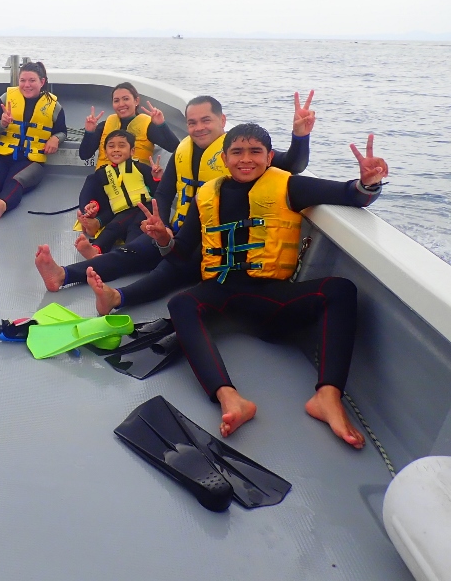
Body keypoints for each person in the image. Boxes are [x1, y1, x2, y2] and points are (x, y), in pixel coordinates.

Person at [128, 123, 387, 448]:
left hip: (272, 302)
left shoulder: (289, 186)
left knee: (341, 290)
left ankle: (327, 396)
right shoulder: (205, 196)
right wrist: (164, 238)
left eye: (255, 152)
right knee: (180, 303)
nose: (245, 159)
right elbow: (181, 255)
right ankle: (230, 398)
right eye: (237, 152)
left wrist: (368, 183)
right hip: (223, 298)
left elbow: (350, 194)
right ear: (224, 157)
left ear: (269, 157)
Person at [35, 91, 315, 293]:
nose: (198, 128)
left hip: (212, 243)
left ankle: (118, 299)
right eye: (192, 122)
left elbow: (293, 164)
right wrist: (162, 227)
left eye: (206, 120)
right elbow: (166, 192)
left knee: (166, 271)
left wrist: (300, 136)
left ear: (222, 120)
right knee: (133, 251)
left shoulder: (239, 153)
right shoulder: (184, 149)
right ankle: (63, 275)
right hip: (180, 231)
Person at [0, 61, 67, 219]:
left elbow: (62, 131)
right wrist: (2, 124)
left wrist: (56, 138)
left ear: (42, 82)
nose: (26, 85)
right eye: (23, 80)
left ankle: (1, 205)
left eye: (32, 80)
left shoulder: (54, 106)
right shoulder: (6, 99)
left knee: (15, 181)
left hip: (30, 159)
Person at [73, 130, 157, 259]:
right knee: (113, 227)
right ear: (105, 152)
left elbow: (157, 191)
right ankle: (95, 249)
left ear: (132, 151)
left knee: (134, 228)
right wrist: (92, 205)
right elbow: (99, 197)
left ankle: (128, 253)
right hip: (122, 212)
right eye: (111, 146)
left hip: (144, 208)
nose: (116, 149)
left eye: (122, 146)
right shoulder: (102, 174)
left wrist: (157, 178)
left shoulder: (141, 168)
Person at [78, 81, 180, 169]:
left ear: (136, 101)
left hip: (134, 184)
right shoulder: (105, 125)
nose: (121, 104)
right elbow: (84, 155)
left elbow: (173, 147)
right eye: (116, 101)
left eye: (126, 99)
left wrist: (161, 125)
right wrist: (89, 132)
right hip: (106, 181)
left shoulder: (148, 126)